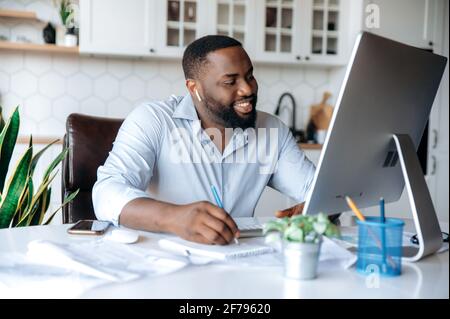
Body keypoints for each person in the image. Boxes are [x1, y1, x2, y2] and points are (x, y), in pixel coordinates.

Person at [93, 35, 316, 245]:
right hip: (165, 261)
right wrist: (174, 217)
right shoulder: (154, 120)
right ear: (194, 88)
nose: (247, 89)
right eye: (230, 82)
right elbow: (106, 193)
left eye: (250, 76)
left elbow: (316, 189)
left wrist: (320, 206)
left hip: (242, 259)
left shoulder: (270, 129)